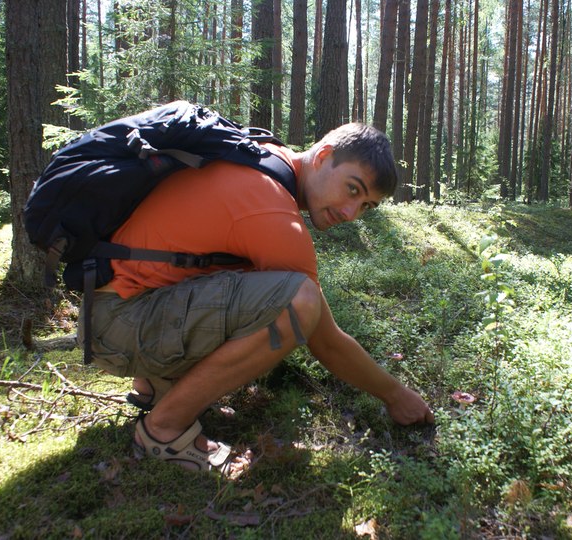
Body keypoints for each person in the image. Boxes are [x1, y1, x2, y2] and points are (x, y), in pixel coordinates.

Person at [79, 122, 435, 472]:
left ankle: (155, 384)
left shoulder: (262, 157)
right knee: (299, 302)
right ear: (324, 155)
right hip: (118, 326)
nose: (349, 213)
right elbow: (326, 342)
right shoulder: (271, 206)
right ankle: (164, 429)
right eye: (353, 190)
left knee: (264, 284)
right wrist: (396, 395)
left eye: (366, 207)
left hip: (113, 313)